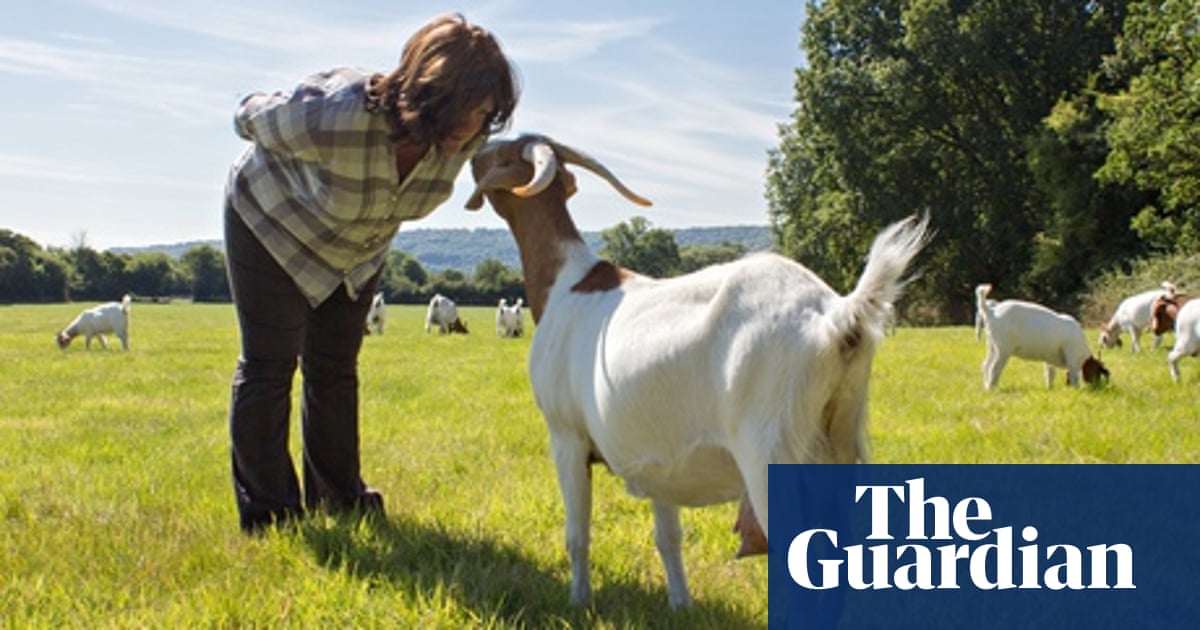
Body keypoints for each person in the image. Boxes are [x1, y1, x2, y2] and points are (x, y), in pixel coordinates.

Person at [223, 13, 519, 532]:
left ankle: (339, 498)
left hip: (356, 251)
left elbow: (495, 154)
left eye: (483, 112)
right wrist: (284, 132)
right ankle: (272, 514)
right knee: (270, 366)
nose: (470, 126)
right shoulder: (337, 114)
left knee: (335, 369)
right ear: (422, 90)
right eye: (459, 108)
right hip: (272, 226)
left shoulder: (464, 138)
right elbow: (249, 116)